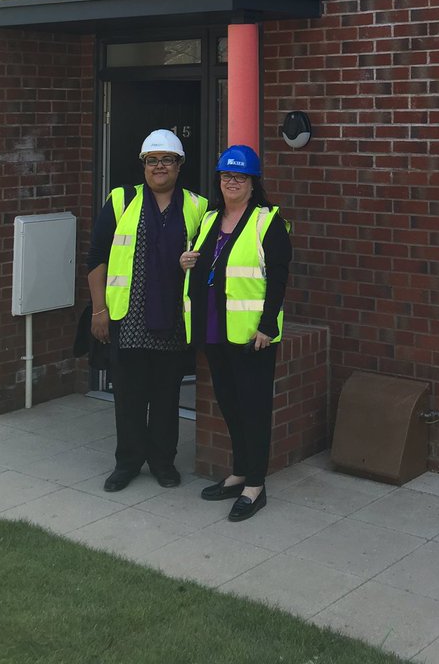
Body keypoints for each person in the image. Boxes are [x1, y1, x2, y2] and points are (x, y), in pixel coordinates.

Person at [88, 130, 208, 492]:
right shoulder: (121, 200)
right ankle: (127, 463)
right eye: (152, 160)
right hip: (127, 318)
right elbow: (97, 258)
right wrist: (99, 310)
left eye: (167, 160)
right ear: (143, 165)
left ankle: (162, 462)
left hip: (171, 321)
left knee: (166, 396)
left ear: (179, 165)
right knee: (128, 397)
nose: (159, 167)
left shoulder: (198, 206)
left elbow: (208, 262)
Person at [180, 145, 291, 522]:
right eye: (227, 176)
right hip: (214, 330)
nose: (232, 182)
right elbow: (203, 263)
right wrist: (186, 261)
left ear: (253, 182)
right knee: (229, 405)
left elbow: (277, 279)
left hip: (250, 337)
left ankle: (255, 485)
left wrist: (266, 326)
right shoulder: (211, 218)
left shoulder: (267, 221)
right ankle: (240, 471)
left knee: (254, 409)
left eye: (240, 177)